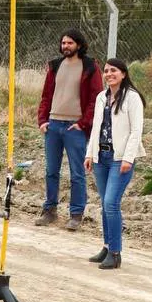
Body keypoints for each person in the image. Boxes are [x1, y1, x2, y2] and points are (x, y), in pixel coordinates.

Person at [34, 29, 103, 231]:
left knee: (77, 174)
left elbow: (95, 98)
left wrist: (83, 124)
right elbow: (46, 96)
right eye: (63, 43)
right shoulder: (55, 66)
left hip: (75, 128)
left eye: (70, 43)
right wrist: (42, 120)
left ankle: (76, 214)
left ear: (79, 45)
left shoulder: (90, 67)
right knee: (51, 171)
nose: (66, 46)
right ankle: (49, 210)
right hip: (53, 125)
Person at [83, 58, 145, 270]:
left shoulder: (132, 98)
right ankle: (107, 246)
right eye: (107, 71)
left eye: (114, 71)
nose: (109, 74)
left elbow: (136, 131)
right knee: (104, 204)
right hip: (102, 157)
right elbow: (95, 128)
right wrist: (90, 153)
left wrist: (128, 158)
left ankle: (116, 253)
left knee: (111, 203)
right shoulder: (102, 97)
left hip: (120, 159)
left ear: (124, 74)